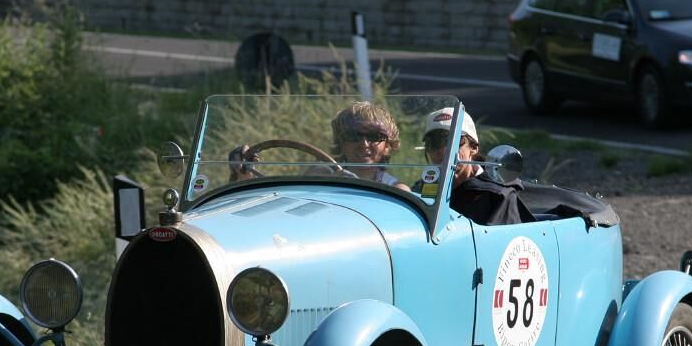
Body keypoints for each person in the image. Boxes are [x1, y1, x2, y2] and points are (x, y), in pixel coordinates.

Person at [229, 101, 409, 191]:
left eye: (374, 136)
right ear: (341, 143)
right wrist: (243, 174)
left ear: (388, 145)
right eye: (353, 136)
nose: (364, 144)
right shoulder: (321, 174)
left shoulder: (395, 189)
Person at [422, 107, 534, 226]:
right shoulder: (422, 190)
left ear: (474, 147)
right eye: (433, 142)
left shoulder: (497, 196)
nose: (443, 149)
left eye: (453, 141)